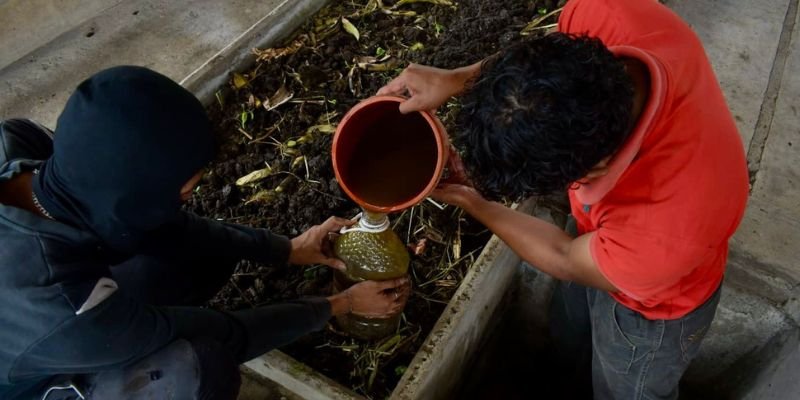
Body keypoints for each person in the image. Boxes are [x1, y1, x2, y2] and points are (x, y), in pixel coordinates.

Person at [378, 0, 749, 398]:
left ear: (592, 171)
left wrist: (474, 201)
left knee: (625, 387)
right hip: (611, 241)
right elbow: (540, 67)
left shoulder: (664, 231)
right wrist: (460, 78)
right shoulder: (611, 14)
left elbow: (566, 256)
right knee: (569, 332)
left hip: (651, 316)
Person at [0, 66, 410, 400]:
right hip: (27, 376)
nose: (187, 198)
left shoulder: (25, 146)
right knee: (198, 370)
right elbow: (225, 334)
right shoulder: (65, 308)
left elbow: (172, 228)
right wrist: (338, 304)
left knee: (187, 257)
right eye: (185, 190)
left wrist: (288, 249)